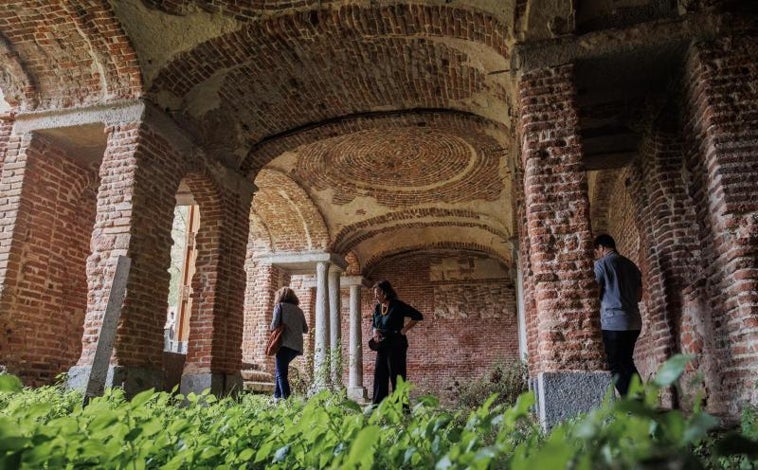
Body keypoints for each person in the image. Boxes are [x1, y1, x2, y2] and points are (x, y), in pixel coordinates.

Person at [593, 234, 643, 396]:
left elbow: (596, 292)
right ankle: (642, 403)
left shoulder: (601, 265)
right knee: (628, 363)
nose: (597, 254)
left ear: (601, 248)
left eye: (597, 251)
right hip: (634, 322)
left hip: (612, 322)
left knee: (614, 366)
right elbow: (639, 296)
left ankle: (632, 404)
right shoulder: (632, 266)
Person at [370, 280, 423, 405]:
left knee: (397, 376)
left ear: (385, 292)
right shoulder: (378, 307)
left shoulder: (397, 305)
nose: (375, 296)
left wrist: (404, 330)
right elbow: (374, 324)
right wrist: (375, 332)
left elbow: (417, 316)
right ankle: (378, 407)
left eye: (377, 293)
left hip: (396, 344)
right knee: (379, 375)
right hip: (382, 345)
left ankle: (401, 408)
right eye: (375, 293)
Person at [270, 286, 309, 401]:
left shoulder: (279, 307)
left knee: (281, 373)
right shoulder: (299, 310)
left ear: (280, 296)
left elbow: (273, 326)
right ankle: (276, 398)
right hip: (296, 347)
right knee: (280, 370)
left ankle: (287, 401)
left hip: (283, 344)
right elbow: (305, 329)